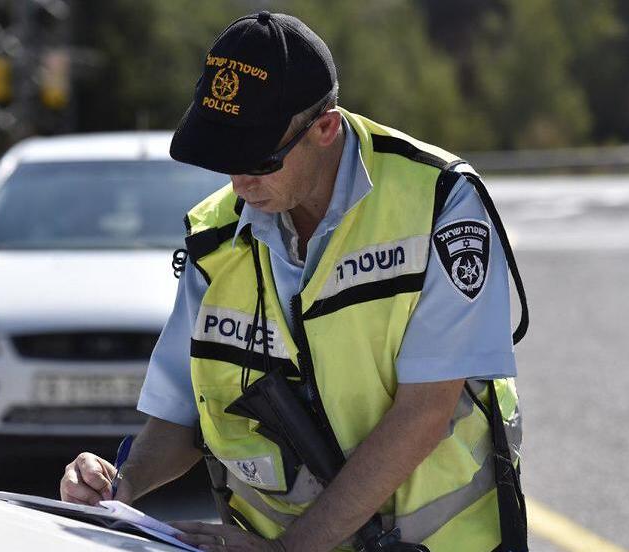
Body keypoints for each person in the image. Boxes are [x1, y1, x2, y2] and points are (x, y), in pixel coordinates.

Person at [60, 11, 528, 552]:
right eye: (223, 160)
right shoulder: (214, 237)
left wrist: (292, 549)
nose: (240, 183)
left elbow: (425, 411)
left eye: (259, 159)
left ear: (325, 129)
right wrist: (121, 483)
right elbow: (182, 415)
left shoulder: (441, 204)